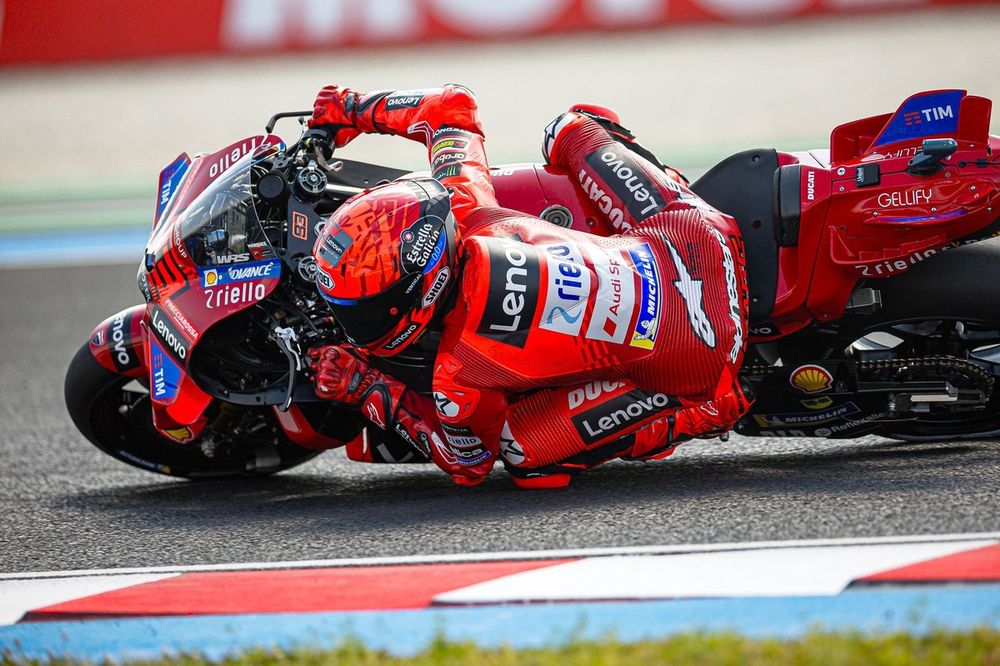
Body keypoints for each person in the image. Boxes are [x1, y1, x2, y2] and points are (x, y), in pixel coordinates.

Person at [307, 84, 751, 488]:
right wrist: (352, 108)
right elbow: (450, 105)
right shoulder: (464, 203)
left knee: (523, 455)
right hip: (695, 235)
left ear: (420, 294)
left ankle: (706, 410)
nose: (348, 315)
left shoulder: (457, 375)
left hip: (698, 355)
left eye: (360, 305)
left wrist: (364, 385)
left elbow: (467, 461)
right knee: (567, 128)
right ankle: (660, 173)